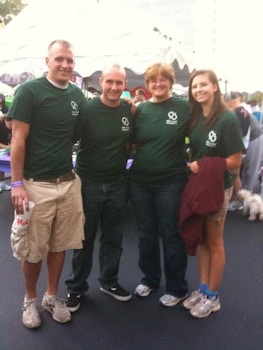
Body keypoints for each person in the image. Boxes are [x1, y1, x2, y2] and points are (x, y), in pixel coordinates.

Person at [8, 39, 86, 329]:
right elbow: (18, 140)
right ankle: (30, 299)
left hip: (67, 183)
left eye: (69, 60)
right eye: (60, 60)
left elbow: (76, 136)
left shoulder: (77, 95)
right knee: (32, 248)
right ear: (47, 61)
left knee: (59, 245)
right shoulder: (30, 91)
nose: (65, 65)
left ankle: (51, 297)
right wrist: (16, 183)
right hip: (35, 185)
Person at [65, 63, 134, 312]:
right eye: (110, 82)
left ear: (124, 85)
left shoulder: (128, 110)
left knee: (113, 237)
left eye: (119, 83)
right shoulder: (87, 109)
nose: (114, 87)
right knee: (84, 238)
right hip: (88, 182)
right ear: (101, 82)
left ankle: (109, 281)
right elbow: (68, 138)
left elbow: (131, 143)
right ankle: (76, 286)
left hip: (117, 182)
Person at [181, 69, 244, 318]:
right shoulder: (196, 116)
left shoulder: (227, 119)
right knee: (203, 240)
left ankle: (213, 297)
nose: (199, 90)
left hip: (218, 186)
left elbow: (235, 158)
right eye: (195, 86)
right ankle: (203, 289)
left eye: (203, 85)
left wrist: (204, 165)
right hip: (201, 186)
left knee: (215, 241)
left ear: (215, 87)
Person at [129, 62, 190, 307]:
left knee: (171, 233)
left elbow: (199, 132)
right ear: (147, 83)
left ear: (170, 81)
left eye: (162, 79)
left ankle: (177, 287)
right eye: (153, 80)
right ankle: (150, 279)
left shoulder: (183, 107)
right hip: (140, 181)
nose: (157, 84)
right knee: (146, 234)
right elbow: (131, 143)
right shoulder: (141, 110)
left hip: (171, 182)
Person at [224, 91, 250, 210]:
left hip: (236, 148)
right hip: (240, 147)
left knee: (234, 175)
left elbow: (240, 132)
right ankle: (238, 200)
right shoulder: (241, 111)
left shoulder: (237, 112)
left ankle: (237, 201)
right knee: (236, 175)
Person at [0, 114, 12, 191]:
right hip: (2, 147)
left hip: (5, 149)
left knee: (4, 165)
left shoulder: (14, 126)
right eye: (10, 124)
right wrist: (5, 147)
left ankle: (2, 183)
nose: (12, 126)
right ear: (6, 121)